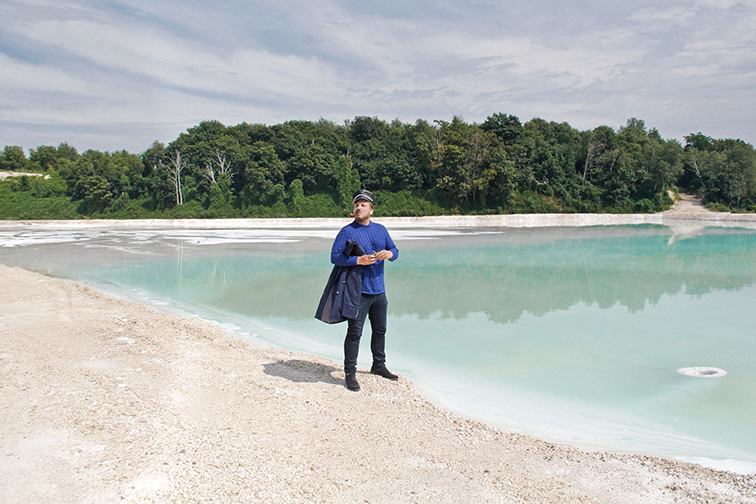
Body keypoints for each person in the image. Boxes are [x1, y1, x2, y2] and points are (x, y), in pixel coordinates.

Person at [330, 189, 400, 391]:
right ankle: (349, 373)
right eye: (356, 205)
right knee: (354, 333)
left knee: (380, 330)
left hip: (379, 291)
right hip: (357, 292)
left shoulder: (381, 229)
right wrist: (357, 260)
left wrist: (389, 254)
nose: (358, 207)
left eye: (363, 205)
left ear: (371, 210)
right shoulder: (347, 231)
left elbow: (395, 250)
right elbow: (335, 257)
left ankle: (378, 365)